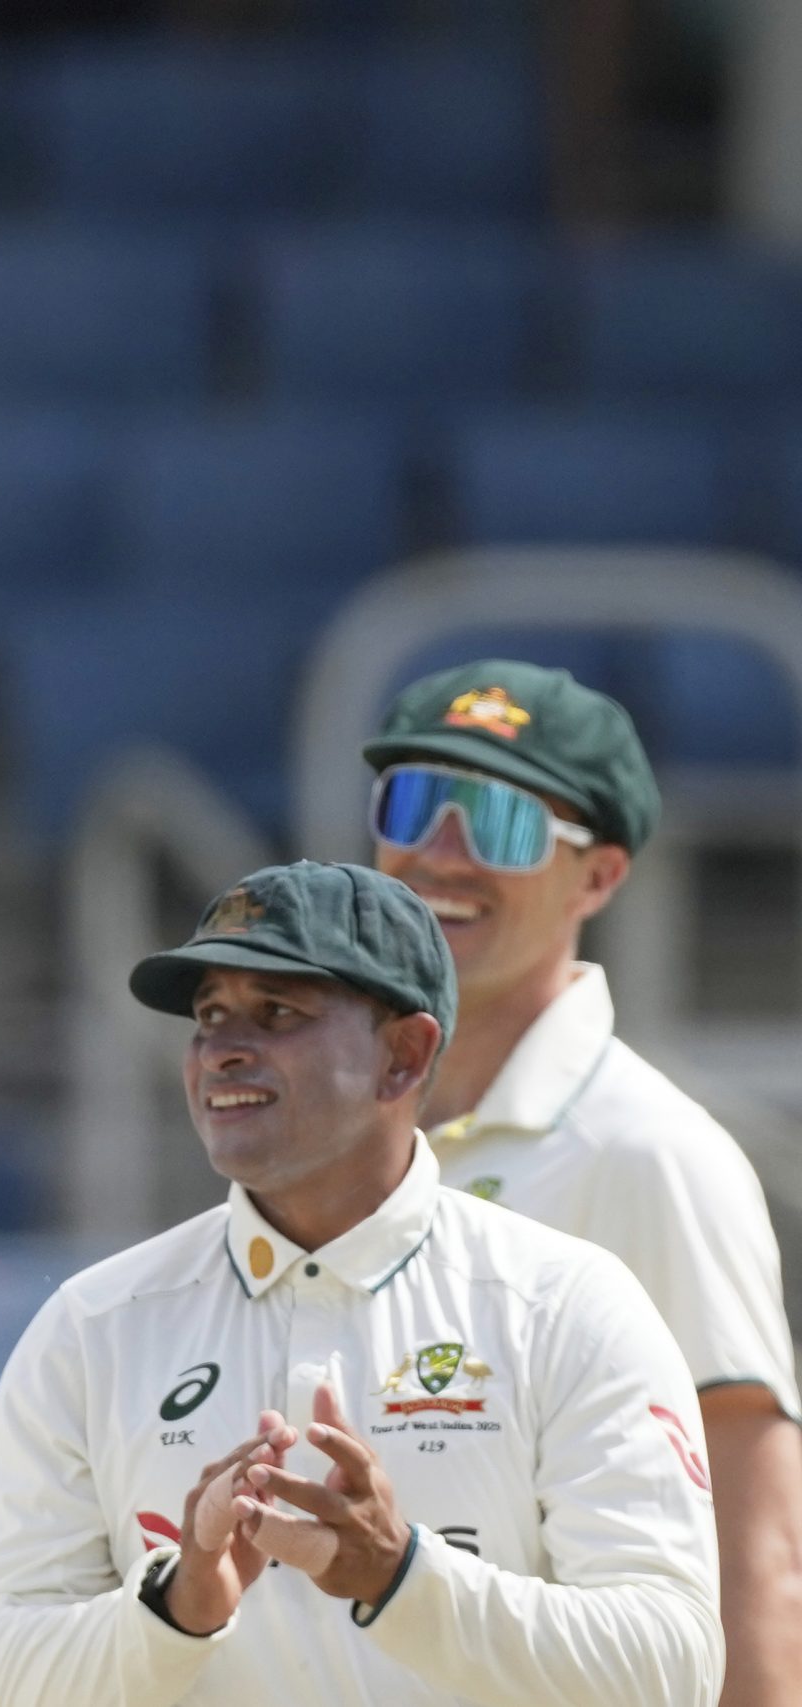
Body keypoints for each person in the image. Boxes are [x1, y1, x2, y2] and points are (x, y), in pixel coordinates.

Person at [0, 860, 724, 1707]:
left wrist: (403, 1577)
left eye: (278, 1011)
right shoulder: (94, 1325)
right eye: (209, 1015)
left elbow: (670, 1669)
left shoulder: (565, 1307)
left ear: (404, 1055)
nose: (222, 1049)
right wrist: (178, 1606)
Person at [360, 658, 802, 1707]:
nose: (440, 852)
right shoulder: (343, 1125)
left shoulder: (648, 1153)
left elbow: (754, 1548)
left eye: (502, 822)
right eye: (415, 802)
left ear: (598, 877)